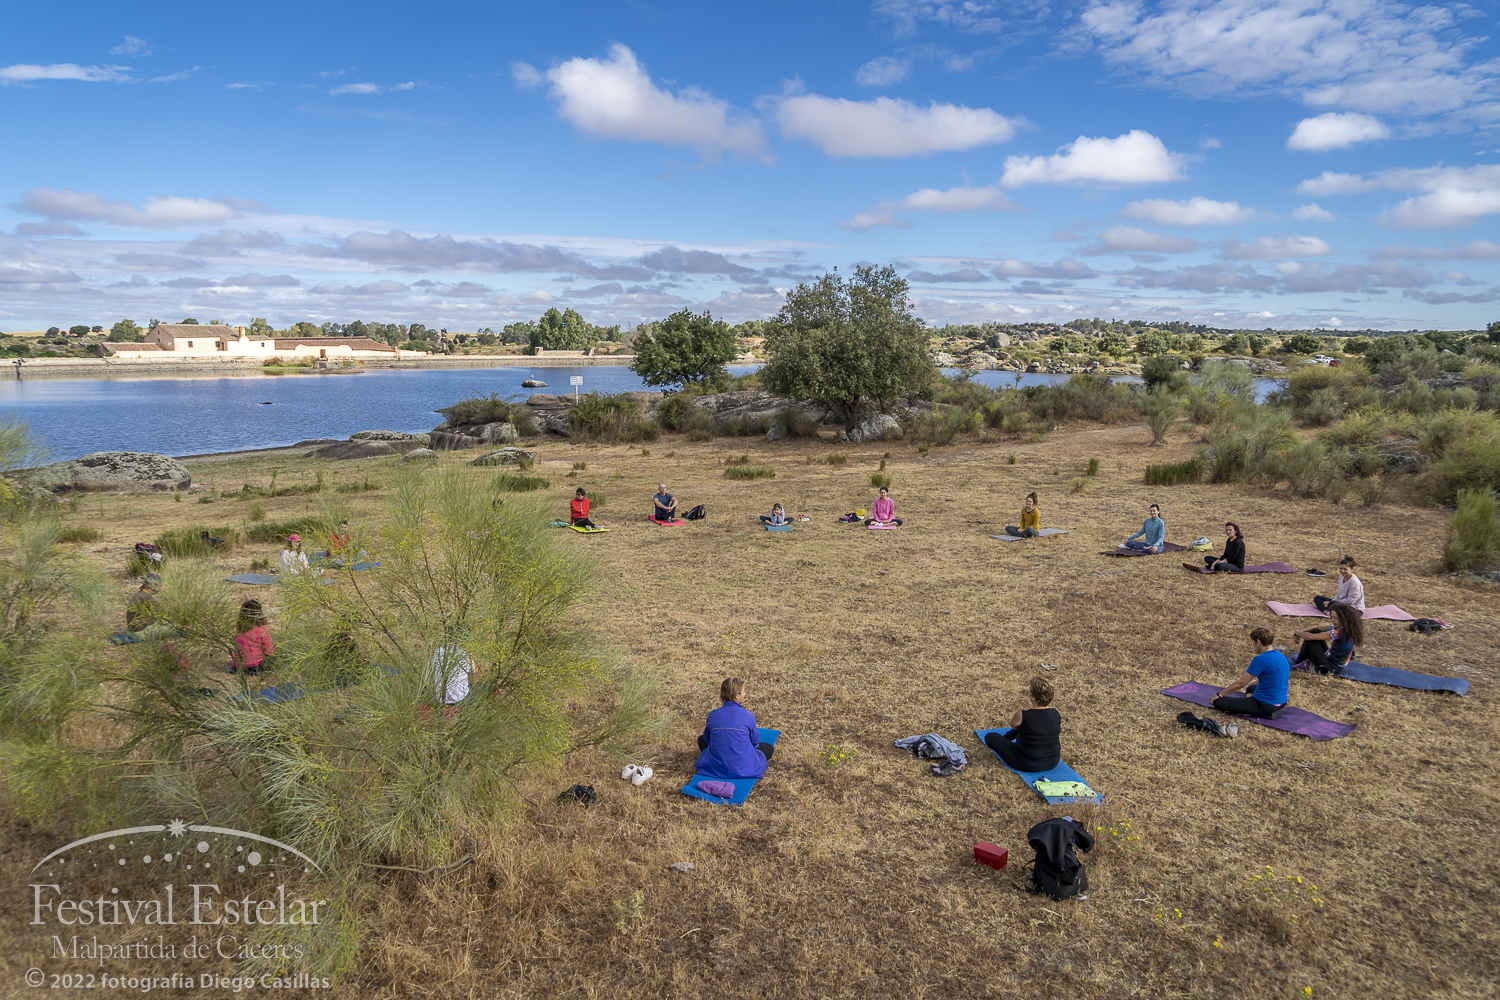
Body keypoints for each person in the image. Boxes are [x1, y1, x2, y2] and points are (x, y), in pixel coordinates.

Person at [695, 676, 774, 779]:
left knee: (701, 740)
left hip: (715, 768)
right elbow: (754, 742)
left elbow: (707, 739)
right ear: (737, 695)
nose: (745, 694)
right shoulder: (748, 715)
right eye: (744, 692)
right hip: (743, 768)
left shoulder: (713, 715)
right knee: (768, 747)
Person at [983, 676, 1061, 772]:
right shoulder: (1056, 713)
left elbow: (1014, 726)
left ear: (1033, 697)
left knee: (990, 736)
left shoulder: (1022, 715)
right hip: (1052, 763)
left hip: (1024, 763)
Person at [1211, 627, 1290, 718]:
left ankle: (1254, 711)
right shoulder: (1280, 656)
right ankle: (1252, 706)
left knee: (1218, 702)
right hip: (1282, 702)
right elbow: (1278, 676)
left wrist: (1219, 695)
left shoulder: (1261, 659)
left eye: (1253, 642)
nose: (1253, 645)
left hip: (1265, 705)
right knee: (1250, 688)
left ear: (1258, 642)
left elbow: (1240, 683)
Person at [1292, 601, 1365, 675]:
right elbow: (1316, 627)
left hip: (1330, 669)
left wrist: (1297, 633)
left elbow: (1309, 637)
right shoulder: (1346, 627)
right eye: (1332, 617)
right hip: (1330, 660)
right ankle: (1303, 660)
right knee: (1315, 631)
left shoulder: (1340, 632)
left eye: (1335, 618)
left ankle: (1302, 661)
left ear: (1344, 618)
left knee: (1311, 638)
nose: (1333, 620)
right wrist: (1301, 631)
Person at [230, 599, 274, 675]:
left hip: (237, 666)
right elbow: (269, 652)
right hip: (254, 667)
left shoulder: (239, 629)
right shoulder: (263, 629)